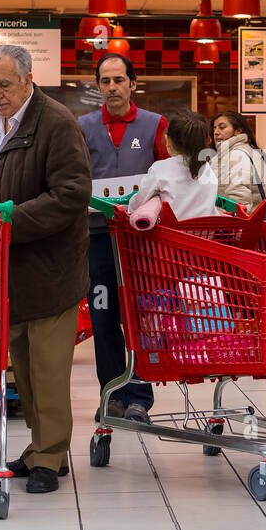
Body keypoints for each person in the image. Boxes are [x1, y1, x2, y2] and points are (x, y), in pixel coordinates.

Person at [0, 45, 92, 495]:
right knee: (24, 367)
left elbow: (71, 194)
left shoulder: (56, 121)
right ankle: (39, 449)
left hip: (52, 267)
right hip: (14, 265)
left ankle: (51, 457)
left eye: (4, 84)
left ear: (28, 80)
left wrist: (9, 221)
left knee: (47, 368)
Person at [79, 54, 169, 424]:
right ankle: (111, 394)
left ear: (133, 83)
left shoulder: (154, 125)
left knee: (142, 317)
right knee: (103, 317)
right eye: (105, 81)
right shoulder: (82, 127)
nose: (112, 87)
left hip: (141, 242)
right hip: (96, 238)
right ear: (98, 86)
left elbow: (169, 177)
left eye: (119, 80)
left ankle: (139, 398)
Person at [127, 110, 218, 221]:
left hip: (171, 236)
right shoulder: (207, 168)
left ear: (168, 140)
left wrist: (129, 208)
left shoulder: (160, 168)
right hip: (205, 235)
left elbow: (138, 203)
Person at [210, 111, 266, 214]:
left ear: (238, 131)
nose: (216, 132)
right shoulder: (243, 151)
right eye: (214, 128)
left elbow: (238, 200)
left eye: (222, 127)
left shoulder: (237, 155)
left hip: (237, 226)